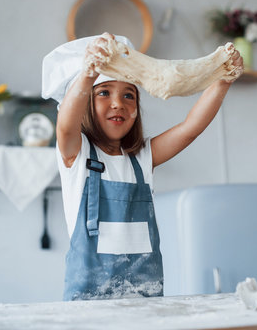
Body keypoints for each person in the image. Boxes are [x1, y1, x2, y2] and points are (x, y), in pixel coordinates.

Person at [44, 33, 243, 300]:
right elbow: (66, 125)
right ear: (84, 103)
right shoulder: (76, 155)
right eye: (104, 93)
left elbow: (189, 129)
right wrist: (88, 73)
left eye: (129, 95)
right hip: (89, 307)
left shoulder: (142, 158)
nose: (119, 103)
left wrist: (223, 80)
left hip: (144, 301)